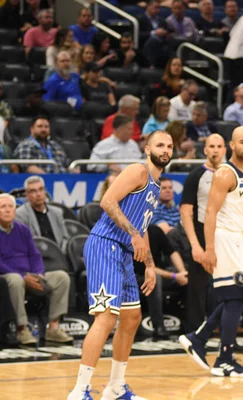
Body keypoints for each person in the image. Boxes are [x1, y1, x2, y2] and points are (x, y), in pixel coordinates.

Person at [67, 130, 174, 400]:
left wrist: (149, 263)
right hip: (105, 244)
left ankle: (115, 387)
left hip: (125, 252)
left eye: (170, 146)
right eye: (160, 145)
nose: (166, 149)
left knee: (132, 317)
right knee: (106, 318)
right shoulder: (138, 171)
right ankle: (79, 391)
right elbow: (107, 202)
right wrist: (135, 235)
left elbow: (143, 226)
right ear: (147, 149)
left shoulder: (156, 185)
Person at [178, 127, 243, 377]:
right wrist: (209, 249)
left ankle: (198, 338)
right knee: (236, 297)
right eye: (242, 142)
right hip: (223, 239)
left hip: (237, 238)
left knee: (240, 296)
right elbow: (210, 212)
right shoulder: (225, 174)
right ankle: (224, 358)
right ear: (232, 145)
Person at [0, 193, 73, 346]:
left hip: (30, 274)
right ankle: (21, 329)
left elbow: (34, 254)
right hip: (7, 276)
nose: (7, 210)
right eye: (2, 207)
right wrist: (23, 276)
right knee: (15, 279)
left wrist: (38, 274)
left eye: (10, 207)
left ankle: (53, 327)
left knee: (61, 277)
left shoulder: (23, 229)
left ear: (15, 209)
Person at [178, 134, 226, 331]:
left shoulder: (231, 174)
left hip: (225, 234)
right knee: (198, 287)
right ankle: (195, 332)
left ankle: (226, 332)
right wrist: (195, 245)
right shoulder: (196, 175)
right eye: (211, 146)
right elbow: (185, 211)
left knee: (228, 286)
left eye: (219, 146)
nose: (215, 150)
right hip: (200, 233)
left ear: (225, 149)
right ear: (205, 150)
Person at [133, 224, 187, 339]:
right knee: (154, 279)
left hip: (157, 271)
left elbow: (171, 252)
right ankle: (159, 326)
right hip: (136, 276)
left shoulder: (155, 230)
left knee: (191, 272)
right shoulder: (131, 235)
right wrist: (174, 276)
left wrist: (182, 273)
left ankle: (192, 325)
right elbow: (145, 267)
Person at [15, 176, 69, 250]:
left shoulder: (57, 212)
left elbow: (65, 238)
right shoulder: (20, 215)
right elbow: (23, 243)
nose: (38, 194)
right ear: (27, 194)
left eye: (41, 189)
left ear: (45, 191)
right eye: (33, 191)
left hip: (58, 256)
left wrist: (61, 254)